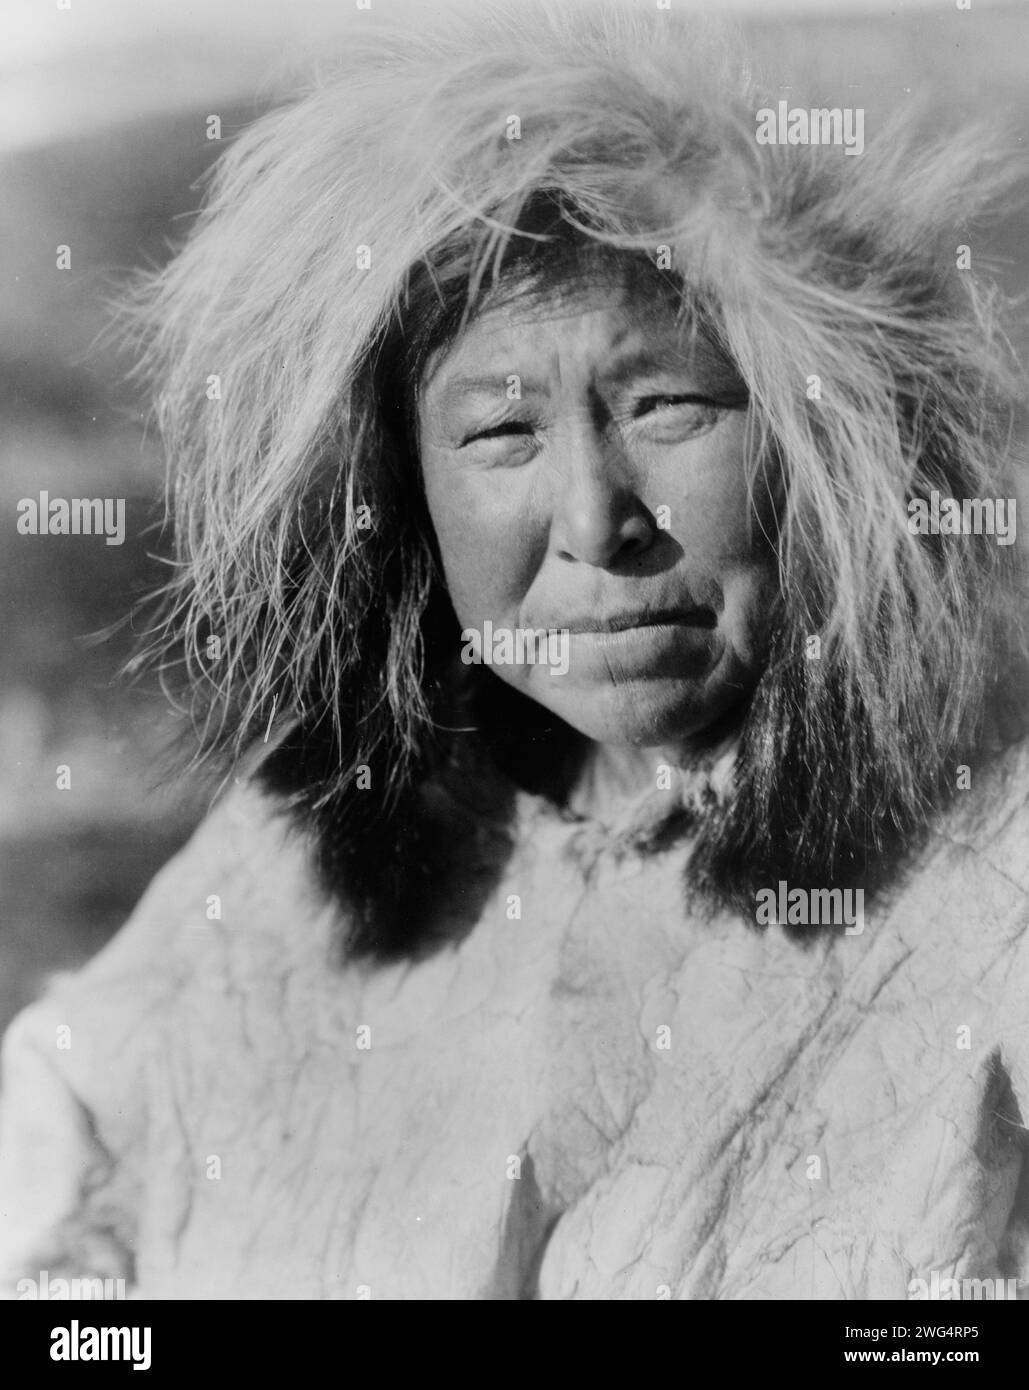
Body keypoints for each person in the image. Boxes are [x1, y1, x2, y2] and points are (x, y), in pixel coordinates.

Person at [1, 1, 1027, 1300]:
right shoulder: (300, 852)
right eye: (499, 433)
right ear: (400, 490)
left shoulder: (990, 868)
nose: (596, 522)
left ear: (822, 452)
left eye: (667, 406)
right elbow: (59, 1178)